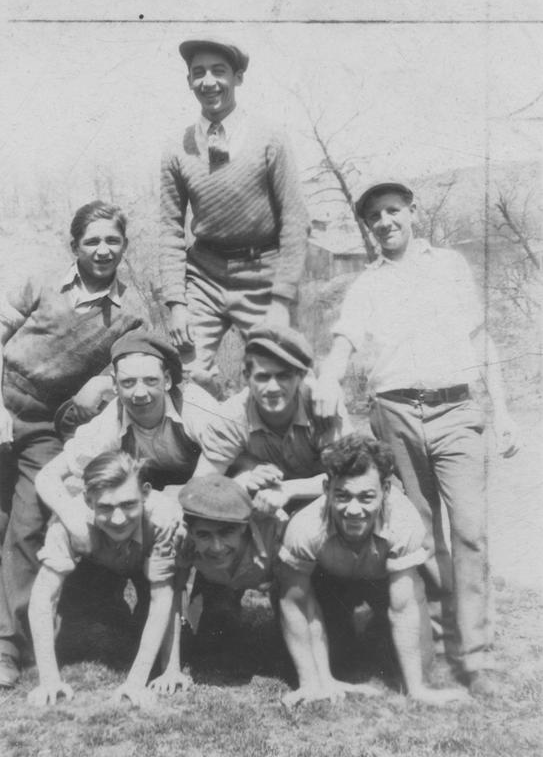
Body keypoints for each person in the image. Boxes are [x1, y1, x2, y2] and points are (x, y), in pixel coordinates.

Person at [314, 181, 519, 696]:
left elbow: (480, 337)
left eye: (393, 211)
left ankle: (475, 658)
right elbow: (344, 342)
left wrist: (504, 411)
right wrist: (325, 377)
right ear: (367, 226)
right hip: (396, 412)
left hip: (455, 407)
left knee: (470, 532)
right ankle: (431, 647)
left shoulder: (448, 265)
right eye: (375, 216)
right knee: (422, 536)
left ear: (412, 212)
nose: (385, 222)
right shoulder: (366, 285)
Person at [0, 201, 148, 687]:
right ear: (74, 247)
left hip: (47, 422)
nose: (103, 250)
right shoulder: (42, 281)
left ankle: (6, 649)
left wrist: (98, 385)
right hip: (2, 397)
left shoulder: (130, 311)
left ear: (124, 247)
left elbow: (135, 366)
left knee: (27, 526)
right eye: (92, 241)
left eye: (113, 241)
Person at [160, 35, 310, 384]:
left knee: (282, 374)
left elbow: (294, 219)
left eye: (219, 71)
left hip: (262, 270)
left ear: (237, 77)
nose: (208, 82)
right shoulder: (176, 149)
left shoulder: (269, 136)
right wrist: (176, 304)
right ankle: (214, 438)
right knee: (187, 374)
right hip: (204, 274)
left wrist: (281, 300)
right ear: (189, 82)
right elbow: (169, 229)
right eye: (198, 73)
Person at [278, 433, 468, 708]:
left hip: (384, 584)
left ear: (386, 491)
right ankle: (341, 639)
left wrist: (418, 689)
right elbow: (294, 602)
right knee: (328, 660)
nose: (353, 510)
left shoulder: (403, 519)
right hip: (329, 585)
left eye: (366, 497)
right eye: (342, 496)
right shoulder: (305, 525)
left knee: (417, 665)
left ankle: (377, 628)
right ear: (326, 488)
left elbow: (404, 605)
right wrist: (312, 681)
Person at [35, 331, 218, 549]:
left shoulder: (194, 404)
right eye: (128, 382)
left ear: (167, 380)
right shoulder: (111, 420)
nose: (140, 393)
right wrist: (71, 518)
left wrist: (178, 497)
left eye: (151, 381)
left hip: (206, 491)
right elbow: (48, 475)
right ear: (114, 384)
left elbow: (237, 460)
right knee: (69, 521)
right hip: (147, 498)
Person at [27, 451, 176, 707]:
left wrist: (135, 682)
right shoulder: (67, 523)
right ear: (87, 500)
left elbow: (162, 598)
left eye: (129, 504)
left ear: (146, 493)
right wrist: (49, 680)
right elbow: (43, 598)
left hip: (145, 564)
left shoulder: (164, 517)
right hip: (98, 566)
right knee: (88, 634)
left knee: (149, 628)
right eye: (105, 507)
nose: (118, 519)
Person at [151, 474, 289, 693]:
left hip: (280, 582)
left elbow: (300, 594)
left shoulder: (276, 529)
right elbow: (174, 594)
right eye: (204, 535)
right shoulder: (183, 539)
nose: (216, 547)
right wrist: (171, 669)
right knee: (212, 643)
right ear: (190, 530)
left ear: (244, 526)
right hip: (215, 582)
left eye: (226, 532)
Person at [194, 324, 352, 512]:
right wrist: (242, 481)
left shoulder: (322, 404)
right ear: (246, 377)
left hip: (323, 499)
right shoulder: (232, 416)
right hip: (261, 503)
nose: (273, 388)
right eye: (262, 377)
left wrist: (287, 489)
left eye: (283, 376)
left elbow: (350, 477)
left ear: (300, 376)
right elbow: (200, 486)